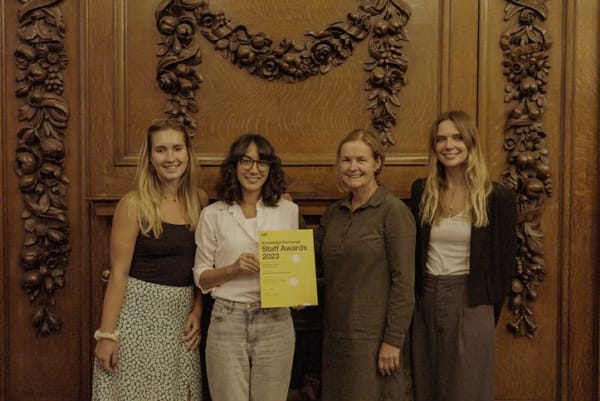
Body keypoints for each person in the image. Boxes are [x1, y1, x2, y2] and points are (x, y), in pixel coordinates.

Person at [92, 119, 205, 401]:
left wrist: (198, 309)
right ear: (150, 157)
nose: (170, 158)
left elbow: (204, 267)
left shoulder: (199, 201)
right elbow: (118, 273)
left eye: (177, 148)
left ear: (188, 153)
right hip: (137, 322)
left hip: (180, 323)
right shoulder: (134, 204)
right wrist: (107, 335)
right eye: (161, 150)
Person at [410, 110, 517, 401]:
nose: (448, 145)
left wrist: (483, 309)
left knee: (467, 389)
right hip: (426, 298)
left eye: (457, 137)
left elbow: (504, 265)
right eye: (441, 139)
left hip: (471, 299)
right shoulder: (422, 191)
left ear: (470, 142)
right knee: (425, 385)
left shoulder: (497, 197)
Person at [193, 134, 298, 401]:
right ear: (234, 166)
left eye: (262, 162)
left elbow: (294, 268)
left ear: (271, 167)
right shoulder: (213, 214)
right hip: (227, 320)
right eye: (246, 161)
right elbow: (202, 279)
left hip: (276, 320)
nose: (254, 169)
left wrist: (297, 295)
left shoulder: (288, 210)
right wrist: (233, 269)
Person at [315, 128, 416, 401]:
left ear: (377, 163)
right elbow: (309, 261)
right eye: (346, 160)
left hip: (376, 343)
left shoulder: (393, 212)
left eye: (361, 160)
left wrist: (393, 341)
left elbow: (404, 283)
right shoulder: (333, 214)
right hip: (335, 338)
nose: (353, 167)